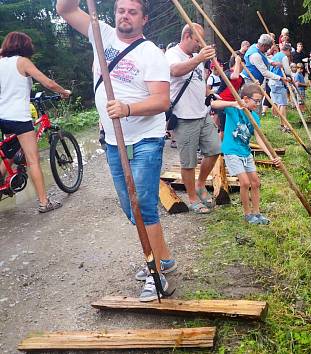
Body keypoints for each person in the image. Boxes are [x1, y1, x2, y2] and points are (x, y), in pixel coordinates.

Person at [57, 0, 178, 301]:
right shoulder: (102, 34)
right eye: (121, 10)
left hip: (146, 139)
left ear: (144, 19)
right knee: (130, 208)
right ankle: (164, 259)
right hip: (113, 141)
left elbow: (162, 101)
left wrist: (127, 108)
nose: (125, 15)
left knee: (143, 205)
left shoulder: (152, 54)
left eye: (132, 11)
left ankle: (157, 276)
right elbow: (65, 9)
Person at [0, 31, 71, 213]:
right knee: (33, 160)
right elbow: (48, 83)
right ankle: (43, 202)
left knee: (8, 155)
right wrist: (63, 92)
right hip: (19, 118)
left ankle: (5, 181)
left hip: (3, 117)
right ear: (24, 46)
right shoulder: (22, 62)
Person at [165, 23, 220, 214]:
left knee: (214, 149)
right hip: (184, 117)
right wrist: (199, 58)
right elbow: (175, 71)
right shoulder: (172, 53)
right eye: (197, 40)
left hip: (202, 114)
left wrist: (211, 94)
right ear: (187, 36)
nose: (199, 44)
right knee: (188, 162)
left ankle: (200, 184)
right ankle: (192, 198)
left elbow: (198, 83)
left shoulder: (193, 58)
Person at [211, 84, 279, 224]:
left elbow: (259, 138)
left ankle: (257, 213)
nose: (258, 104)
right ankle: (247, 214)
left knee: (255, 182)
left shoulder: (255, 117)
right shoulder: (233, 110)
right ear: (246, 99)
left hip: (245, 152)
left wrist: (271, 156)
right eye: (256, 100)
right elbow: (214, 103)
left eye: (260, 101)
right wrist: (234, 103)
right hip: (231, 151)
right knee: (245, 182)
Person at [213, 54, 244, 141]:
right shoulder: (227, 73)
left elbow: (241, 91)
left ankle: (228, 145)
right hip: (221, 102)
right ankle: (219, 149)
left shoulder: (242, 78)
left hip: (232, 104)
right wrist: (238, 61)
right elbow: (234, 76)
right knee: (223, 129)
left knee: (230, 127)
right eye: (243, 64)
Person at [269, 42, 293, 131]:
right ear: (287, 50)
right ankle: (285, 125)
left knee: (279, 103)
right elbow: (287, 71)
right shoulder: (284, 57)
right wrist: (291, 78)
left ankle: (282, 124)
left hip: (272, 81)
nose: (290, 54)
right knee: (283, 103)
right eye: (290, 52)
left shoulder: (275, 55)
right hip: (278, 81)